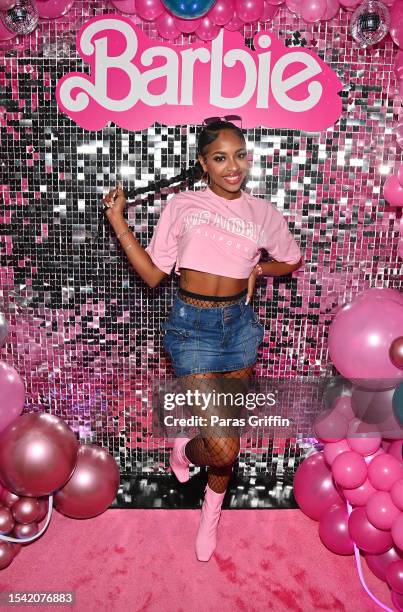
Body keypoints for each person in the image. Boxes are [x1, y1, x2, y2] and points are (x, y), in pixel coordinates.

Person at [103, 118, 303, 562]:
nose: (233, 167)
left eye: (239, 155)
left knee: (223, 440)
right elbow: (154, 274)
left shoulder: (263, 214)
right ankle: (187, 442)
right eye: (220, 158)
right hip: (192, 327)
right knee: (222, 444)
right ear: (203, 164)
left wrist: (260, 269)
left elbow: (291, 259)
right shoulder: (183, 205)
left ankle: (210, 509)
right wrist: (119, 222)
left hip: (240, 330)